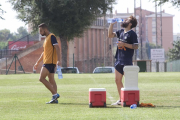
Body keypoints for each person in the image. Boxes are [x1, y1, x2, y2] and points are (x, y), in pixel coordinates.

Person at [108, 15, 138, 105]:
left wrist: (124, 44)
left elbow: (136, 46)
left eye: (127, 20)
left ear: (130, 24)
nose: (124, 20)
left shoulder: (132, 34)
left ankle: (131, 100)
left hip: (127, 61)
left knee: (129, 82)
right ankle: (121, 99)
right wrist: (111, 24)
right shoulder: (121, 31)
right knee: (117, 80)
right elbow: (110, 35)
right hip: (118, 60)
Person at [34, 23, 61, 104]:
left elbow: (57, 48)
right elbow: (44, 53)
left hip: (49, 62)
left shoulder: (52, 36)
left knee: (41, 78)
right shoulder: (46, 39)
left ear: (45, 30)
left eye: (41, 30)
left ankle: (55, 94)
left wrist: (58, 60)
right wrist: (37, 62)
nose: (40, 32)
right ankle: (55, 100)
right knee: (52, 80)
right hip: (48, 62)